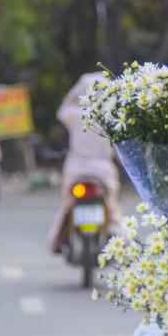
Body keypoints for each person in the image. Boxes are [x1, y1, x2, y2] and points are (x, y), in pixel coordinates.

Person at [48, 73, 122, 253]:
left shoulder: (75, 114)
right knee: (111, 206)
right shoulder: (112, 118)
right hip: (103, 170)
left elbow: (62, 110)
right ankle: (116, 236)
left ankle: (60, 239)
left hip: (76, 169)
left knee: (68, 204)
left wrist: (76, 93)